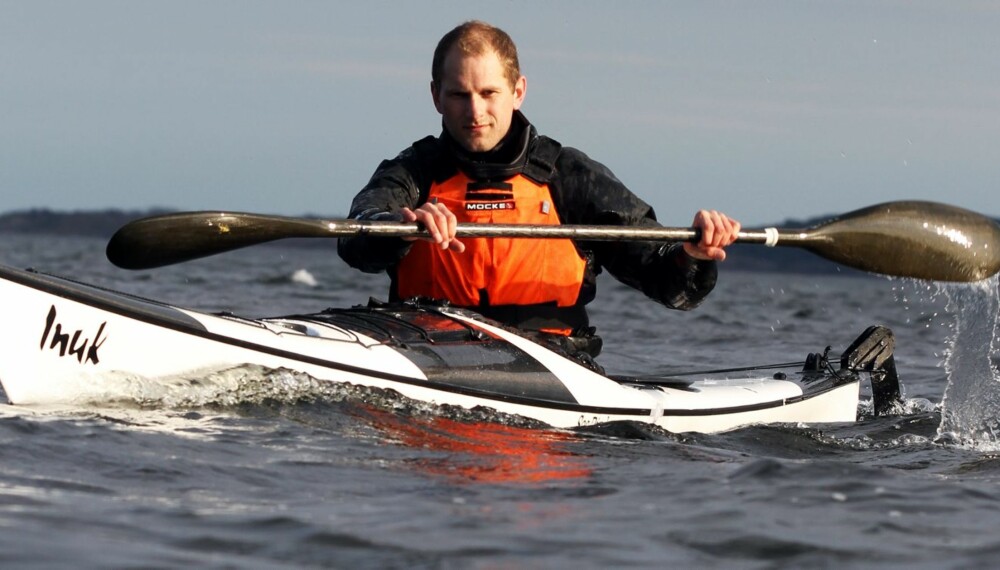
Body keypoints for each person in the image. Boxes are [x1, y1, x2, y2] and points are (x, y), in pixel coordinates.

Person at [338, 20, 740, 361]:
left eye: (489, 93)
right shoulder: (412, 171)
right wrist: (402, 226)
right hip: (428, 352)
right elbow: (358, 236)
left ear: (518, 91)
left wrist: (693, 256)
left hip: (549, 361)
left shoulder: (570, 176)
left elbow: (668, 284)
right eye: (460, 94)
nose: (475, 112)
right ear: (436, 97)